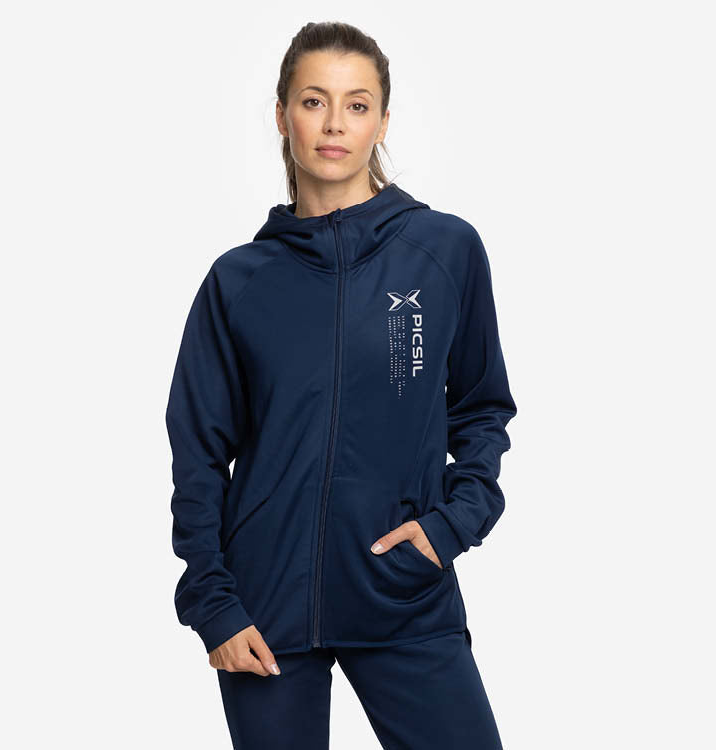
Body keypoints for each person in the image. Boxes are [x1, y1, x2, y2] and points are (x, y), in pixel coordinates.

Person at [165, 21, 517, 750]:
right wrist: (214, 604)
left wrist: (452, 525)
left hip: (402, 592)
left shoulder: (443, 251)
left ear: (382, 122)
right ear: (282, 115)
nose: (334, 124)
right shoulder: (238, 281)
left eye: (357, 105)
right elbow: (198, 454)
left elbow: (482, 408)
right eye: (313, 101)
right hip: (263, 613)